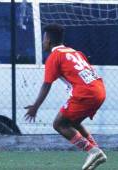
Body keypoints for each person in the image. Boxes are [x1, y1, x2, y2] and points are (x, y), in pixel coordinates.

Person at [24, 24, 107, 170]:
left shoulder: (54, 56)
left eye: (43, 39)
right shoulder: (76, 52)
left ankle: (93, 151)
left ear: (48, 40)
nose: (43, 43)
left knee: (59, 124)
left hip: (85, 93)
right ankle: (96, 150)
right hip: (99, 90)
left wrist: (35, 107)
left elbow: (46, 84)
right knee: (72, 122)